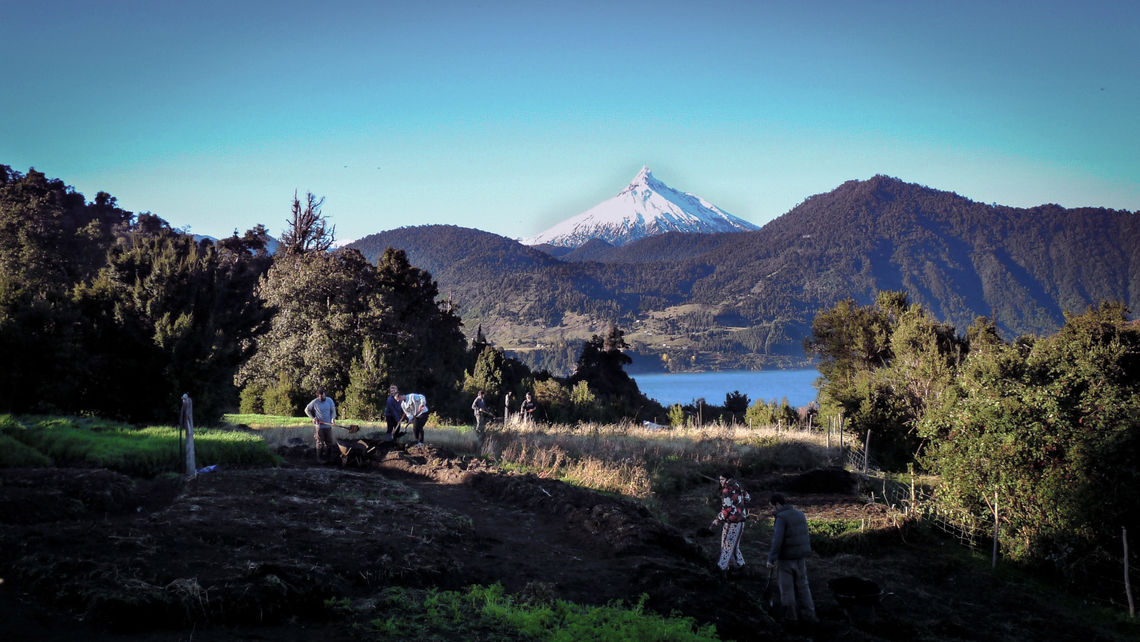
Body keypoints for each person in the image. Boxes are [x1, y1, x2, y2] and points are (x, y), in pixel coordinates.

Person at [766, 492, 817, 623]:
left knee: (786, 589)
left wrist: (771, 559)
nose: (772, 510)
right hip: (801, 558)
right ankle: (810, 616)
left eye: (772, 507)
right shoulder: (800, 513)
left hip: (786, 560)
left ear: (778, 504)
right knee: (803, 587)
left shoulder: (781, 518)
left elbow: (777, 540)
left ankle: (791, 617)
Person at [709, 474, 750, 574]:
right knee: (734, 546)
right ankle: (740, 567)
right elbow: (748, 498)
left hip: (733, 522)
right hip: (741, 521)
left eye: (722, 479)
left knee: (726, 546)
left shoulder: (726, 490)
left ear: (727, 479)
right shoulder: (737, 486)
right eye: (720, 480)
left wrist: (717, 519)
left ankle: (721, 568)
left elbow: (727, 509)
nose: (721, 482)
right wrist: (740, 505)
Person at [304, 389, 337, 463]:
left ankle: (329, 459)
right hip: (319, 426)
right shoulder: (315, 402)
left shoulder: (329, 400)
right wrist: (313, 418)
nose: (323, 398)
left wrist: (332, 419)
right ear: (318, 397)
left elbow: (333, 411)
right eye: (321, 397)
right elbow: (306, 410)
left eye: (324, 396)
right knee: (320, 443)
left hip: (328, 426)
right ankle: (319, 459)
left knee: (329, 442)